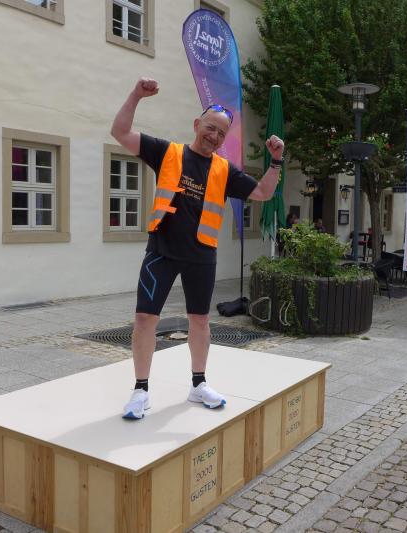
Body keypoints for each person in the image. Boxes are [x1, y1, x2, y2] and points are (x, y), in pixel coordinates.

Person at [111, 78, 284, 419]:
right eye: (210, 128)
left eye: (221, 133)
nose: (214, 136)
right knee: (144, 319)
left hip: (201, 255)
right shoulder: (168, 152)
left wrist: (276, 161)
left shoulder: (224, 170)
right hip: (161, 251)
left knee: (200, 320)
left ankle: (198, 384)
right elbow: (120, 132)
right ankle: (141, 390)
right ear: (196, 125)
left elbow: (264, 193)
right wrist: (136, 95)